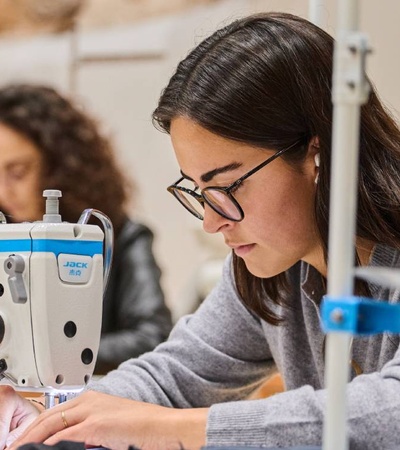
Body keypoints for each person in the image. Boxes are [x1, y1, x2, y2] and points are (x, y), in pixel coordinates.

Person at [1, 10, 400, 450]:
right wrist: (46, 417)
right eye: (200, 191)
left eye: (226, 185)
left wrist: (163, 427)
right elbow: (173, 375)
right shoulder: (272, 274)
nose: (212, 221)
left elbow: (389, 411)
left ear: (316, 155)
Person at [0, 83, 173, 375]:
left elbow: (152, 336)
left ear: (58, 167)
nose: (4, 191)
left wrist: (47, 354)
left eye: (18, 173)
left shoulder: (121, 237)